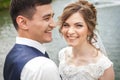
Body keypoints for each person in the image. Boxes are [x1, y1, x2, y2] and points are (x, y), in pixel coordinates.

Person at [3, 0, 61, 80]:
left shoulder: (11, 55)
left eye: (52, 17)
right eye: (46, 18)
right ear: (23, 22)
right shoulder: (44, 67)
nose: (53, 25)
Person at [58, 0, 115, 80]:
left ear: (90, 29)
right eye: (66, 25)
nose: (70, 32)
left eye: (78, 25)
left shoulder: (103, 67)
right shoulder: (63, 54)